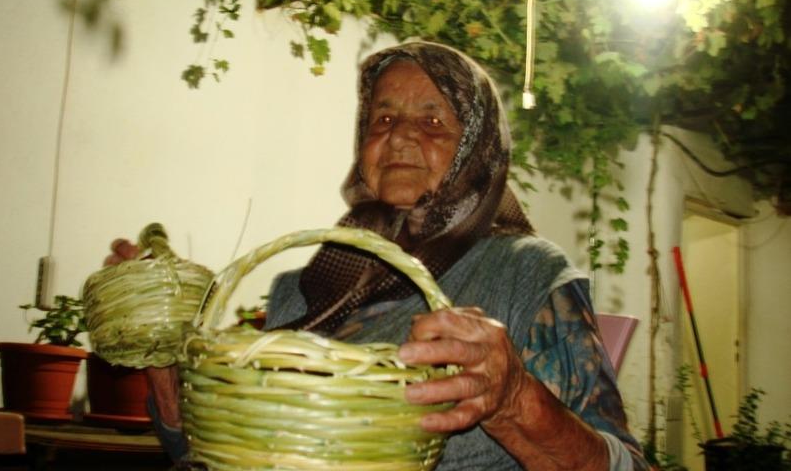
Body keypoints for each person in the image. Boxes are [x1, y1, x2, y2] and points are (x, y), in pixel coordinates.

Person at [106, 41, 648, 470]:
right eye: (382, 119)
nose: (400, 138)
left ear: (476, 149)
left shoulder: (527, 274)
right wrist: (162, 354)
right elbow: (217, 456)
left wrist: (513, 401)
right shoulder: (307, 285)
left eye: (433, 122)